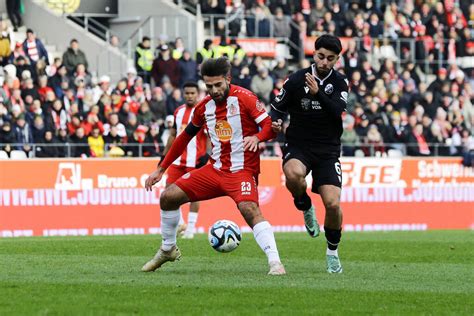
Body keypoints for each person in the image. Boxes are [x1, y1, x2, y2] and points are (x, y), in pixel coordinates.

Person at [142, 57, 285, 275]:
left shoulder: (245, 98)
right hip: (214, 170)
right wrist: (161, 168)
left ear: (228, 79)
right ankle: (168, 248)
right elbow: (183, 138)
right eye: (209, 86)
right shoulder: (204, 107)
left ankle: (275, 263)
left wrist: (258, 137)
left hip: (241, 171)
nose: (214, 90)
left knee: (250, 209)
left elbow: (268, 125)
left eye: (218, 85)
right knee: (168, 197)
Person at [270, 34, 348, 274]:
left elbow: (337, 112)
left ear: (337, 59)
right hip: (299, 145)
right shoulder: (295, 79)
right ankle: (304, 206)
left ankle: (332, 253)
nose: (324, 62)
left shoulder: (341, 82)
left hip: (327, 150)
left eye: (330, 58)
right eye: (320, 56)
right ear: (314, 54)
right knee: (293, 175)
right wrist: (275, 123)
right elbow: (276, 108)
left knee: (333, 204)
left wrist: (318, 94)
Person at [160, 82, 210, 239]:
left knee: (194, 195)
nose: (189, 96)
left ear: (198, 94)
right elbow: (173, 135)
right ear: (183, 94)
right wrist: (164, 157)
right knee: (168, 192)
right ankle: (181, 223)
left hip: (195, 161)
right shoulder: (178, 112)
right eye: (187, 93)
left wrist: (207, 155)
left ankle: (190, 229)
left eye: (192, 93)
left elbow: (209, 135)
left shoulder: (203, 111)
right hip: (178, 161)